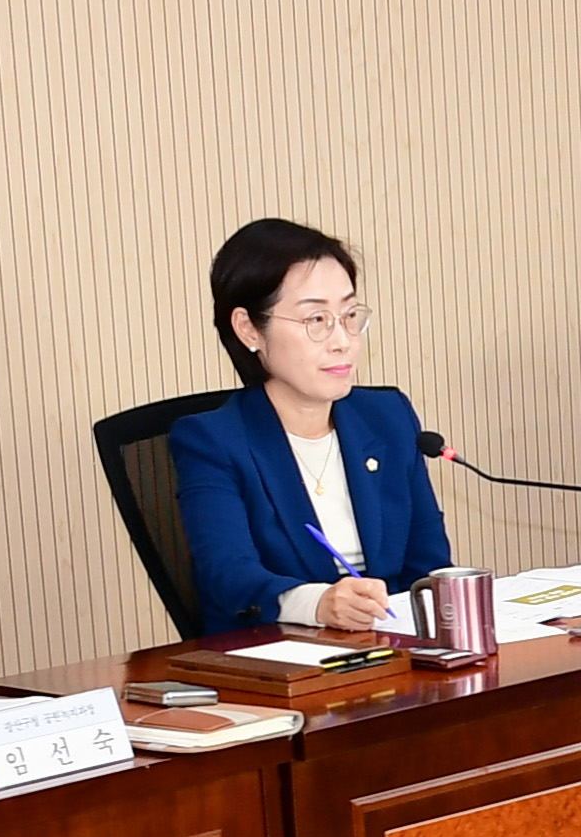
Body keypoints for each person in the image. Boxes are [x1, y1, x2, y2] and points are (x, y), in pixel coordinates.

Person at [171, 219, 449, 633]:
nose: (343, 340)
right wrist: (319, 604)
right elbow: (228, 577)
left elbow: (429, 565)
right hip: (280, 662)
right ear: (248, 328)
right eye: (316, 320)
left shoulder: (388, 416)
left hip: (394, 649)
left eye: (350, 315)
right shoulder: (212, 441)